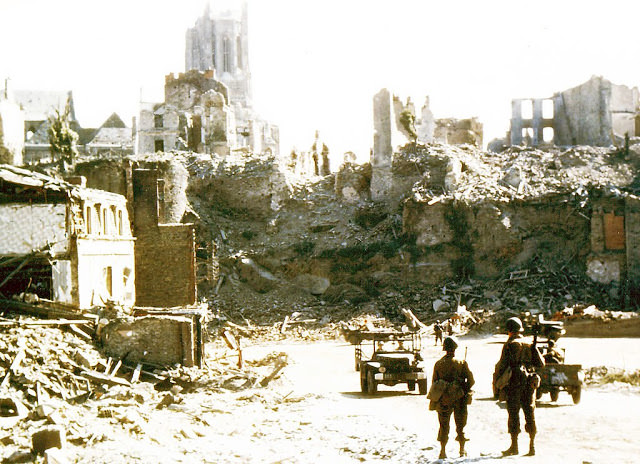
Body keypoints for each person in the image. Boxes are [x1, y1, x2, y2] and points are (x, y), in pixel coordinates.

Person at [494, 317, 545, 456]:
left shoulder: (510, 344)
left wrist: (498, 383)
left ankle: (514, 446)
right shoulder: (529, 343)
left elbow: (502, 365)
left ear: (509, 330)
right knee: (530, 412)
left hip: (514, 382)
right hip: (529, 382)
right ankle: (531, 447)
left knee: (514, 413)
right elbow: (541, 363)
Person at [428, 336, 475, 459]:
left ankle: (442, 452)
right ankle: (461, 450)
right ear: (455, 348)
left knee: (443, 425)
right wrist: (463, 389)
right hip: (459, 398)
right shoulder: (461, 362)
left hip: (443, 399)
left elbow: (434, 382)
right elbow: (471, 380)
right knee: (460, 425)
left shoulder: (438, 363)